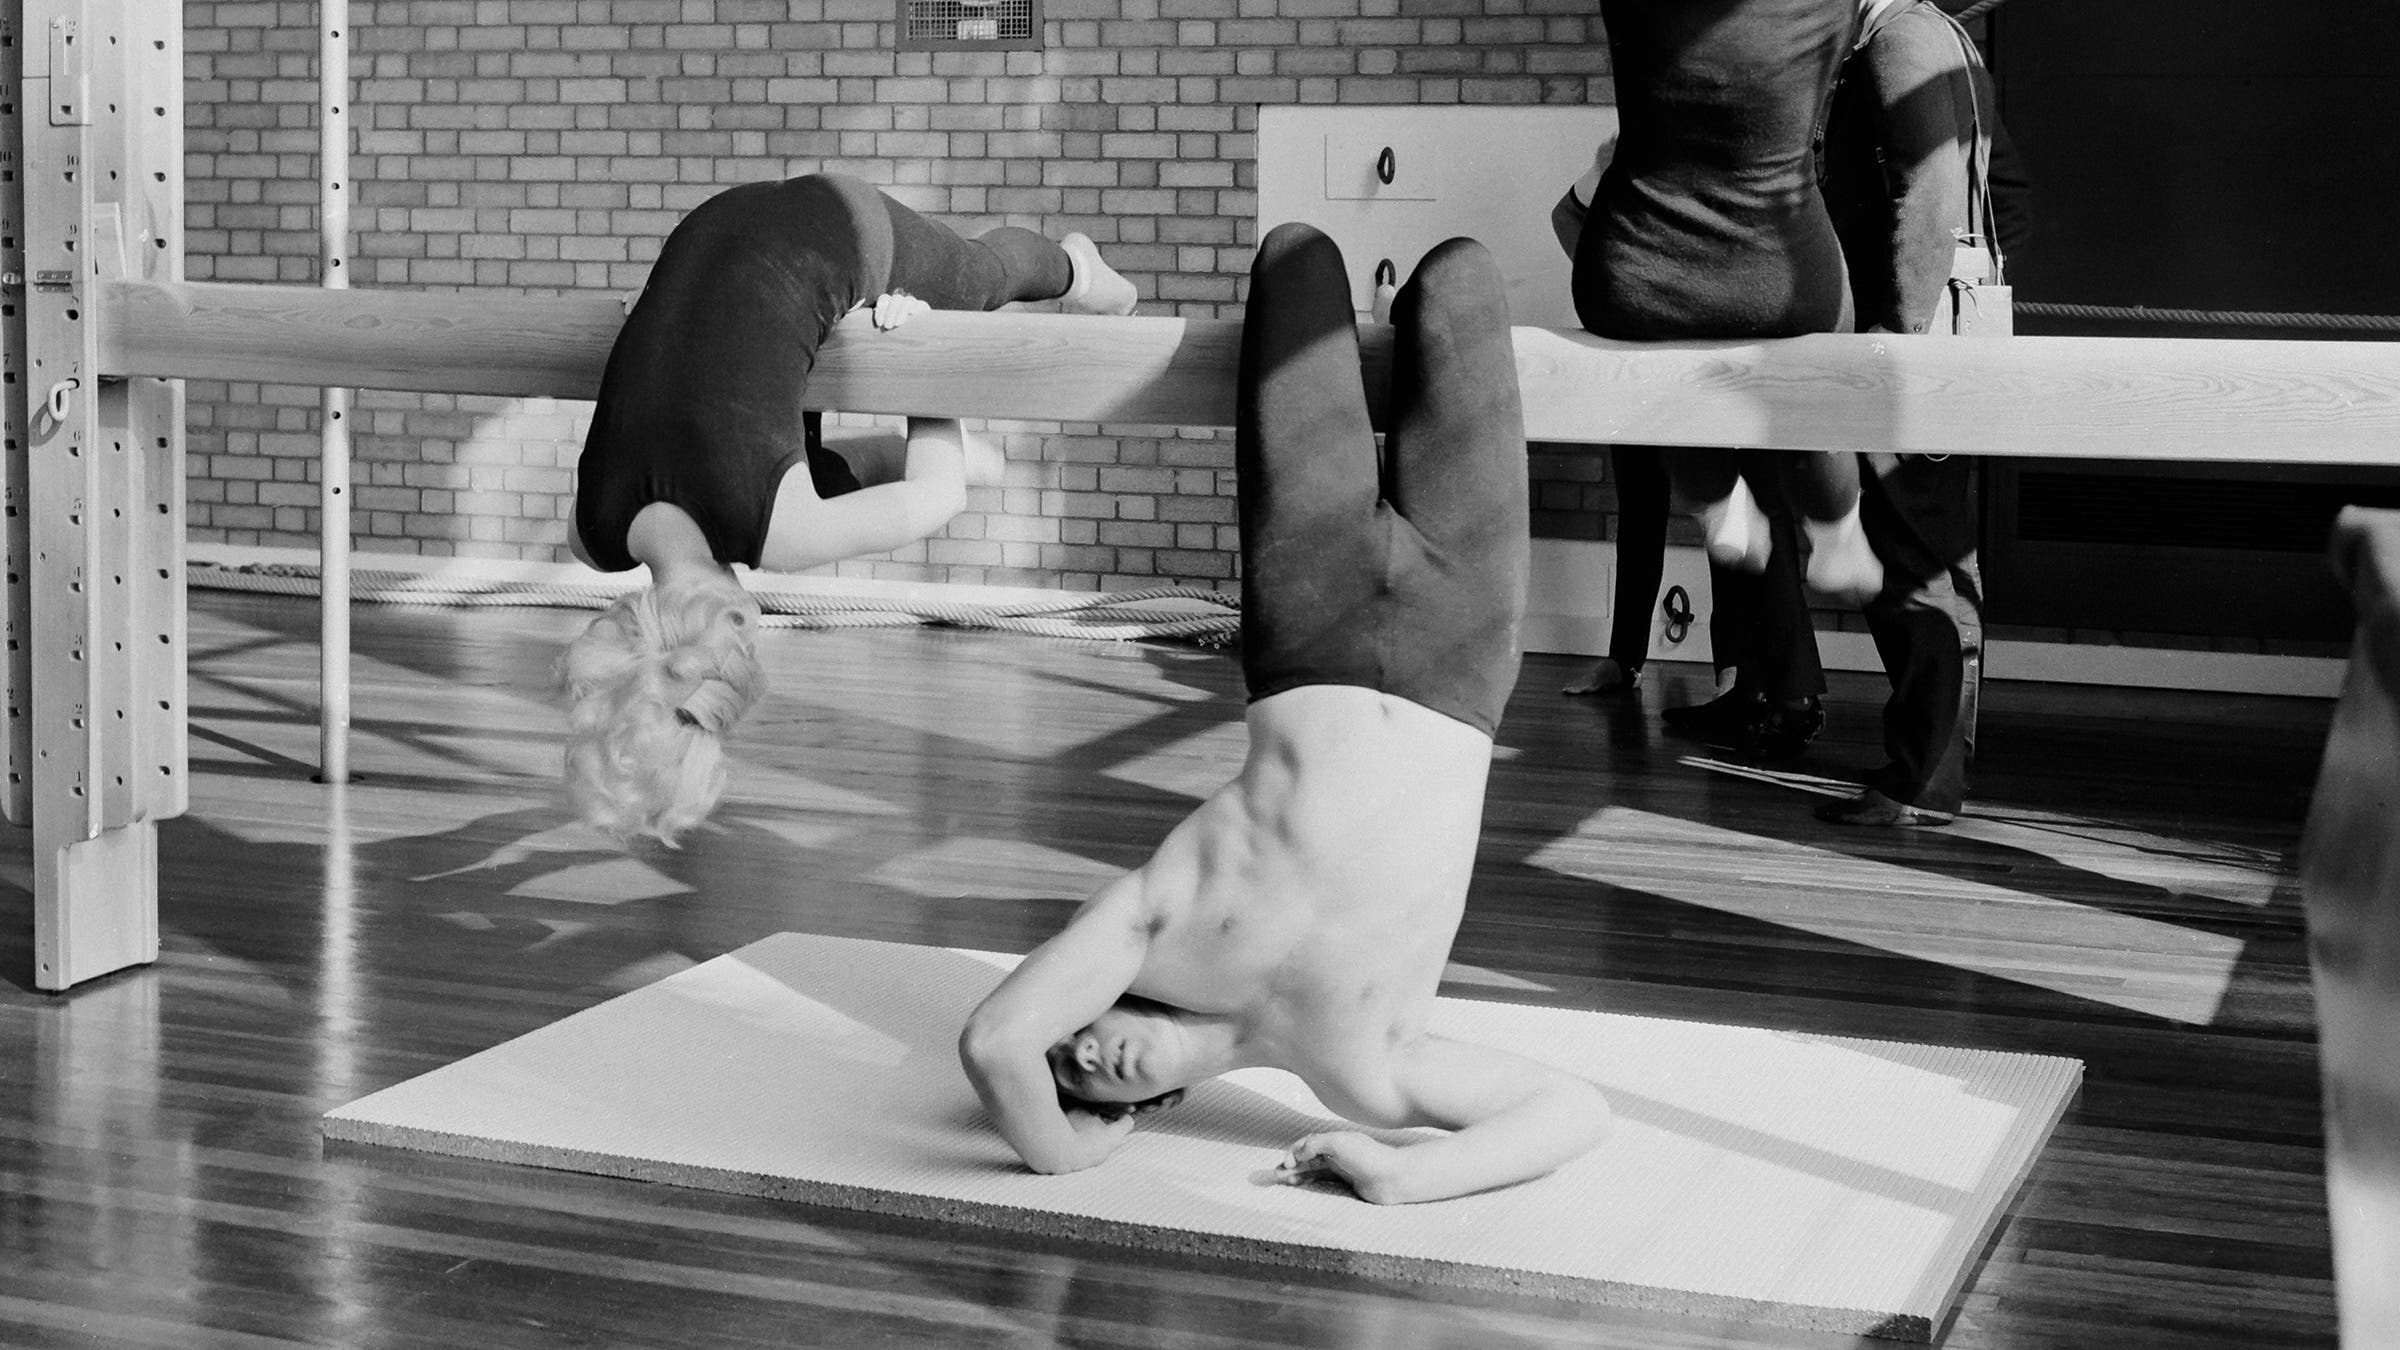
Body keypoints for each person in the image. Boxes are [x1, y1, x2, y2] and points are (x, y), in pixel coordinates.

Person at [957, 225, 1612, 1205]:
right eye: (1078, 1081)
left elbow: (993, 1040)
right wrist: (1399, 1174)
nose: (1081, 1048)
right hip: (1462, 656)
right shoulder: (1363, 1069)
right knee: (1463, 277)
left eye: (1067, 1039)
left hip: (1313, 628)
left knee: (1295, 259)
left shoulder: (1154, 927)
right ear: (1155, 1106)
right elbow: (1573, 1112)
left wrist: (1058, 1150)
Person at [561, 172, 1139, 845]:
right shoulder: (591, 530)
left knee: (978, 281)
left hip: (835, 226)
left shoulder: (782, 527)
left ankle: (1082, 269)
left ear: (741, 637)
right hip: (706, 227)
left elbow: (941, 493)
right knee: (810, 477)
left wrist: (929, 353)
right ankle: (922, 448)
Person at [1571, 0, 1883, 617]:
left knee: (1667, 356)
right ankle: (1836, 531)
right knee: (1808, 384)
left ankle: (1717, 504)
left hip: (1637, 264)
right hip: (1782, 270)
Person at [1813, 0, 2030, 826]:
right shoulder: (1945, 40)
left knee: (1913, 552)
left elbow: (1933, 186)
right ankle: (1931, 765)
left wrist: (1898, 331)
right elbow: (2009, 197)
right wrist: (1969, 286)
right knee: (1935, 544)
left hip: (1910, 346)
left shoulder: (1895, 41)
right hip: (1952, 330)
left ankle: (1924, 781)